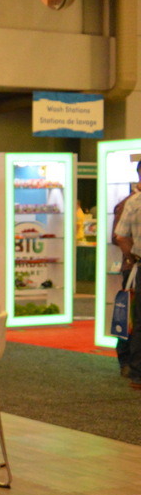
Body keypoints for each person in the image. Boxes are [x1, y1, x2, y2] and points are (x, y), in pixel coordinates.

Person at [113, 161, 141, 385]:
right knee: (131, 317)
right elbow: (118, 237)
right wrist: (132, 258)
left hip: (135, 265)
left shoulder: (132, 201)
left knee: (135, 318)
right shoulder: (129, 202)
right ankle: (127, 362)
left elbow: (120, 236)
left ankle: (133, 366)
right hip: (132, 267)